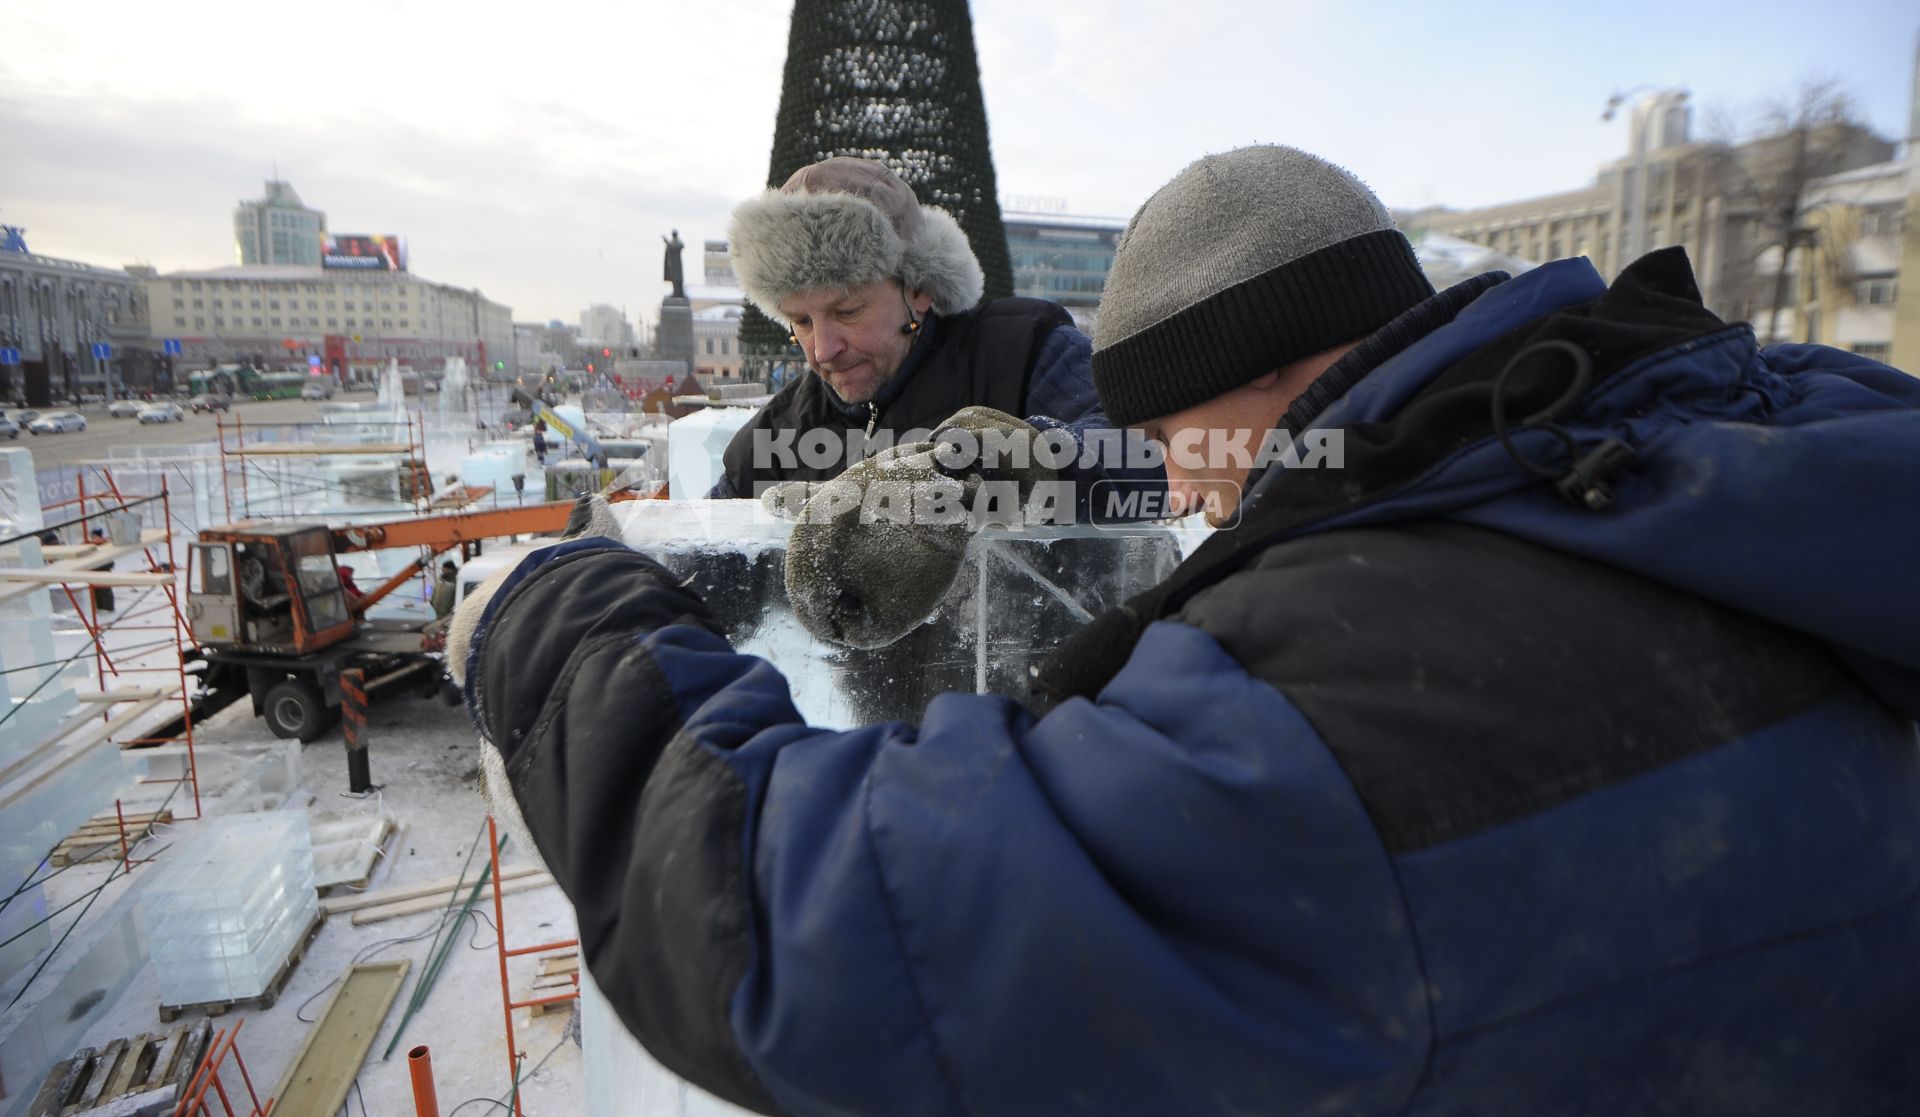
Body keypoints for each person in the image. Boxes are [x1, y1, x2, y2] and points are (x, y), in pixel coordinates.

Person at [449, 145, 1920, 1115]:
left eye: (1167, 435)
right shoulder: (1759, 422)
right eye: (799, 318)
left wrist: (553, 606)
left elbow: (809, 934)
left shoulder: (1329, 675)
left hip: (1012, 805)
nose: (1165, 483)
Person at [707, 156, 1157, 503]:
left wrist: (988, 469)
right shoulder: (782, 426)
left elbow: (1144, 451)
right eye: (802, 321)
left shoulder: (1022, 353)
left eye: (847, 311)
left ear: (918, 288)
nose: (822, 351)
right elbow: (699, 558)